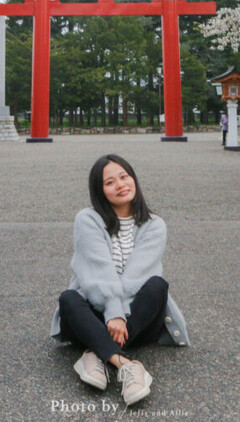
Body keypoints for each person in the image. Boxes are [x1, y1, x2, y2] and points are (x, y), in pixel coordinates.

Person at [50, 154, 189, 406]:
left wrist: (119, 315)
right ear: (100, 191)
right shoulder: (87, 219)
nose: (121, 185)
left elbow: (138, 274)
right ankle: (125, 364)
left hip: (136, 320)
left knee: (157, 285)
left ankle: (96, 352)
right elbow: (96, 270)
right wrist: (112, 311)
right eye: (110, 182)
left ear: (133, 178)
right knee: (69, 298)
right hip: (94, 314)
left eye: (124, 176)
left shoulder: (155, 225)